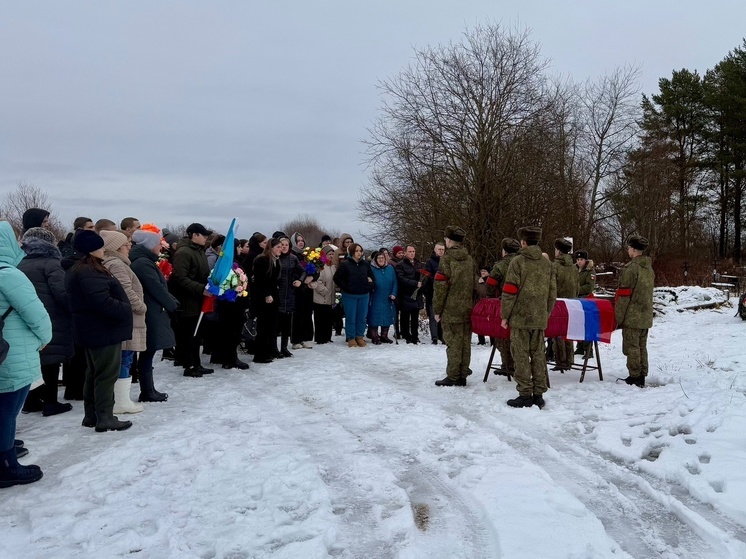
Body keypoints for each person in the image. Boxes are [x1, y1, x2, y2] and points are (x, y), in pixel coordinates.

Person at [0, 221, 52, 488]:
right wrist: (45, 338)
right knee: (7, 409)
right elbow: (36, 313)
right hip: (11, 350)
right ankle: (6, 465)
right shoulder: (8, 274)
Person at [65, 230, 134, 431]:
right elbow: (101, 302)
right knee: (106, 374)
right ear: (91, 250)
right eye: (101, 246)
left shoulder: (83, 269)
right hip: (102, 330)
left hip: (95, 329)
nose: (104, 250)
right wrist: (125, 308)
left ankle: (92, 415)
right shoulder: (88, 271)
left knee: (95, 372)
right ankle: (105, 417)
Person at [18, 227, 74, 417]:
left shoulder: (21, 264)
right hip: (52, 317)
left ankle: (31, 401)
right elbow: (62, 293)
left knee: (36, 360)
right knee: (51, 361)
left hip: (26, 319)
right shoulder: (51, 263)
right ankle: (50, 402)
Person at [501, 227, 557, 409]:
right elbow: (552, 293)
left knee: (521, 355)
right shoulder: (547, 264)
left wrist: (505, 315)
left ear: (523, 242)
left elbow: (509, 292)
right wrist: (545, 312)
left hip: (520, 318)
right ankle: (539, 394)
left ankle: (525, 394)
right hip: (539, 318)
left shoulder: (517, 262)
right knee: (539, 355)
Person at [100, 230, 146, 414]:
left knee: (124, 358)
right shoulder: (116, 264)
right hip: (129, 318)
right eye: (127, 244)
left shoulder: (114, 263)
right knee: (125, 359)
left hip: (126, 319)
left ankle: (121, 399)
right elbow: (126, 290)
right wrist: (141, 306)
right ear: (117, 247)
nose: (129, 247)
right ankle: (121, 401)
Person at [130, 230, 177, 401]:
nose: (160, 247)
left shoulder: (144, 261)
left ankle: (148, 389)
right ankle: (147, 391)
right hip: (150, 311)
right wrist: (172, 305)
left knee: (148, 352)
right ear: (149, 246)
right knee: (147, 351)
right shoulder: (143, 263)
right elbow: (155, 287)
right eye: (158, 244)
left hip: (152, 309)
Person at [169, 223, 214, 378]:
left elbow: (202, 273)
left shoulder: (199, 251)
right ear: (194, 235)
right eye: (204, 235)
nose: (206, 239)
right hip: (188, 301)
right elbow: (180, 278)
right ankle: (189, 365)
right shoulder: (184, 252)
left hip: (198, 299)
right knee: (189, 334)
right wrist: (201, 289)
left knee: (197, 334)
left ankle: (197, 363)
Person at [433, 226, 476, 386]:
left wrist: (437, 309)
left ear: (449, 240)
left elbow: (440, 287)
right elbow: (474, 284)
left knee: (453, 343)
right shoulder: (469, 259)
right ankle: (463, 374)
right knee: (465, 342)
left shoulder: (446, 259)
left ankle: (453, 376)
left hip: (451, 309)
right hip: (467, 307)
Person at [615, 235, 654, 387]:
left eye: (629, 248)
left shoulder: (631, 269)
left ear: (633, 249)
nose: (628, 250)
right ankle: (642, 374)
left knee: (632, 347)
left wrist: (619, 316)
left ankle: (634, 376)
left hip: (632, 316)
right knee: (641, 346)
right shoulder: (648, 268)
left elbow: (623, 296)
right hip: (645, 315)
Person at [486, 238, 521, 373]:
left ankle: (507, 365)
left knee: (503, 336)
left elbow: (490, 283)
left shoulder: (500, 265)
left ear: (505, 251)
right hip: (523, 304)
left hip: (504, 302)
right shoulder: (522, 262)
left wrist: (490, 296)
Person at [333, 242, 375, 347]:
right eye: (356, 251)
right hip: (350, 295)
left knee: (361, 317)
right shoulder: (345, 264)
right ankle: (351, 337)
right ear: (351, 252)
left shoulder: (365, 264)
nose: (359, 253)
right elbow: (337, 278)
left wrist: (369, 286)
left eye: (360, 251)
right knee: (351, 317)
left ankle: (359, 336)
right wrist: (346, 287)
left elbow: (372, 278)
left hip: (364, 295)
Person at [250, 238, 282, 363]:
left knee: (271, 326)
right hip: (263, 298)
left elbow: (275, 279)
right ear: (271, 248)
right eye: (278, 247)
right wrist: (267, 294)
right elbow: (260, 280)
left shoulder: (276, 261)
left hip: (273, 296)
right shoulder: (262, 260)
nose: (281, 249)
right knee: (263, 326)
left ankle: (269, 351)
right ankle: (260, 354)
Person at [551, 238, 578, 372]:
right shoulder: (573, 267)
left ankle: (560, 360)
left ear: (558, 251)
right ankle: (569, 359)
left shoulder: (554, 266)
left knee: (558, 333)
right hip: (572, 303)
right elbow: (577, 286)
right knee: (569, 332)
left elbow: (552, 286)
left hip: (558, 303)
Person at [276, 237, 307, 358]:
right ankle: (274, 348)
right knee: (276, 323)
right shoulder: (275, 258)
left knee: (287, 323)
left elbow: (303, 272)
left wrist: (299, 281)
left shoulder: (293, 258)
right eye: (281, 244)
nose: (284, 247)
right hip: (277, 293)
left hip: (290, 294)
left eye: (286, 245)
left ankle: (284, 347)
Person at [290, 232, 315, 349]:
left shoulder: (308, 254)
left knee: (307, 313)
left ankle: (306, 337)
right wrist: (303, 279)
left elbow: (316, 269)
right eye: (298, 240)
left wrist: (313, 277)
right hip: (297, 288)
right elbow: (293, 272)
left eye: (302, 240)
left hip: (308, 288)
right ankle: (296, 339)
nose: (301, 242)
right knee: (297, 315)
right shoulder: (292, 254)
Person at [396, 245, 425, 343]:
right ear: (405, 253)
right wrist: (414, 283)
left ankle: (415, 335)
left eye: (413, 251)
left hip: (416, 294)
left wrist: (422, 283)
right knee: (405, 316)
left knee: (415, 317)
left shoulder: (418, 264)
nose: (412, 253)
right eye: (410, 251)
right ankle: (406, 335)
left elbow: (423, 275)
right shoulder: (400, 264)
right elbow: (401, 278)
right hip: (406, 293)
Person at [367, 251, 398, 344]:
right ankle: (374, 336)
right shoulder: (371, 269)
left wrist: (393, 293)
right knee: (374, 317)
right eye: (379, 258)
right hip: (375, 296)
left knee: (387, 316)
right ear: (375, 260)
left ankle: (384, 336)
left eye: (383, 258)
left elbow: (395, 282)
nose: (381, 260)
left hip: (388, 297)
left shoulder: (390, 268)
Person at [309, 245, 337, 344]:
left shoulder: (333, 267)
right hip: (320, 298)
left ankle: (327, 336)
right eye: (329, 254)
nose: (331, 256)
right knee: (320, 319)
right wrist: (325, 291)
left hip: (330, 298)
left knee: (328, 319)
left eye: (333, 254)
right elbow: (317, 282)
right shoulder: (320, 267)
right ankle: (320, 338)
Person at [574, 249, 596, 356]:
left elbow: (589, 286)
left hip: (586, 299)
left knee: (587, 324)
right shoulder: (575, 270)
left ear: (585, 260)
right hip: (577, 300)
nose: (579, 262)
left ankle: (588, 349)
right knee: (578, 323)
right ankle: (580, 346)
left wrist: (576, 289)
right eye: (578, 259)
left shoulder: (590, 271)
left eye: (581, 259)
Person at [422, 243, 445, 345]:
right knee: (433, 315)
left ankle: (442, 336)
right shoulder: (430, 262)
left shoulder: (446, 261)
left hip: (444, 293)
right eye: (439, 249)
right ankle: (434, 337)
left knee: (443, 316)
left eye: (443, 249)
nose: (441, 251)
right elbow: (427, 276)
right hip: (432, 292)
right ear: (435, 250)